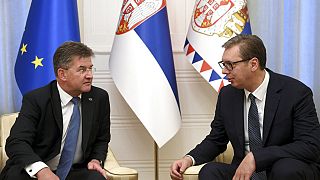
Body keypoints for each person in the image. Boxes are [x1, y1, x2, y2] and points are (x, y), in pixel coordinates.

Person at [170, 34, 320, 180]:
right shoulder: (227, 95)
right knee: (210, 171)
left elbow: (310, 146)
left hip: (282, 168)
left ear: (253, 64)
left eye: (230, 65)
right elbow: (216, 140)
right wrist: (189, 158)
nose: (224, 71)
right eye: (223, 65)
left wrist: (257, 158)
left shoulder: (296, 93)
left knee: (286, 170)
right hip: (243, 172)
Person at [0, 41, 110, 180]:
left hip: (75, 171)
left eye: (90, 68)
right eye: (82, 70)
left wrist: (96, 159)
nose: (89, 75)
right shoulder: (37, 99)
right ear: (62, 74)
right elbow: (16, 142)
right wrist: (42, 170)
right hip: (38, 169)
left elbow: (102, 139)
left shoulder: (99, 98)